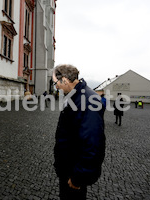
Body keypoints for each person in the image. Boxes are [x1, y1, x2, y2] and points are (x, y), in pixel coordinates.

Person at [52, 64, 106, 200]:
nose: (56, 87)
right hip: (69, 167)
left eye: (55, 83)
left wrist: (79, 177)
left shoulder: (88, 100)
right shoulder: (75, 95)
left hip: (74, 173)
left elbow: (93, 143)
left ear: (64, 80)